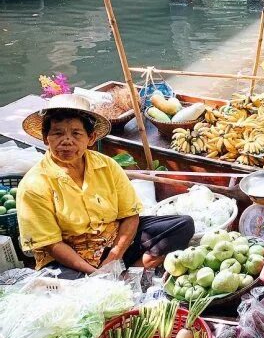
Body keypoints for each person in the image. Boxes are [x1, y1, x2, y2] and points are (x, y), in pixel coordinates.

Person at [17, 95, 195, 279]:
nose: (67, 141)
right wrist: (95, 273)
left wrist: (113, 258)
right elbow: (52, 244)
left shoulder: (107, 165)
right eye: (57, 133)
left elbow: (130, 215)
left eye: (76, 133)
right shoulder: (33, 185)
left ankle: (129, 276)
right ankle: (105, 282)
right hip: (68, 258)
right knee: (68, 289)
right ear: (46, 139)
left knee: (182, 225)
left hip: (113, 242)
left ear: (91, 138)